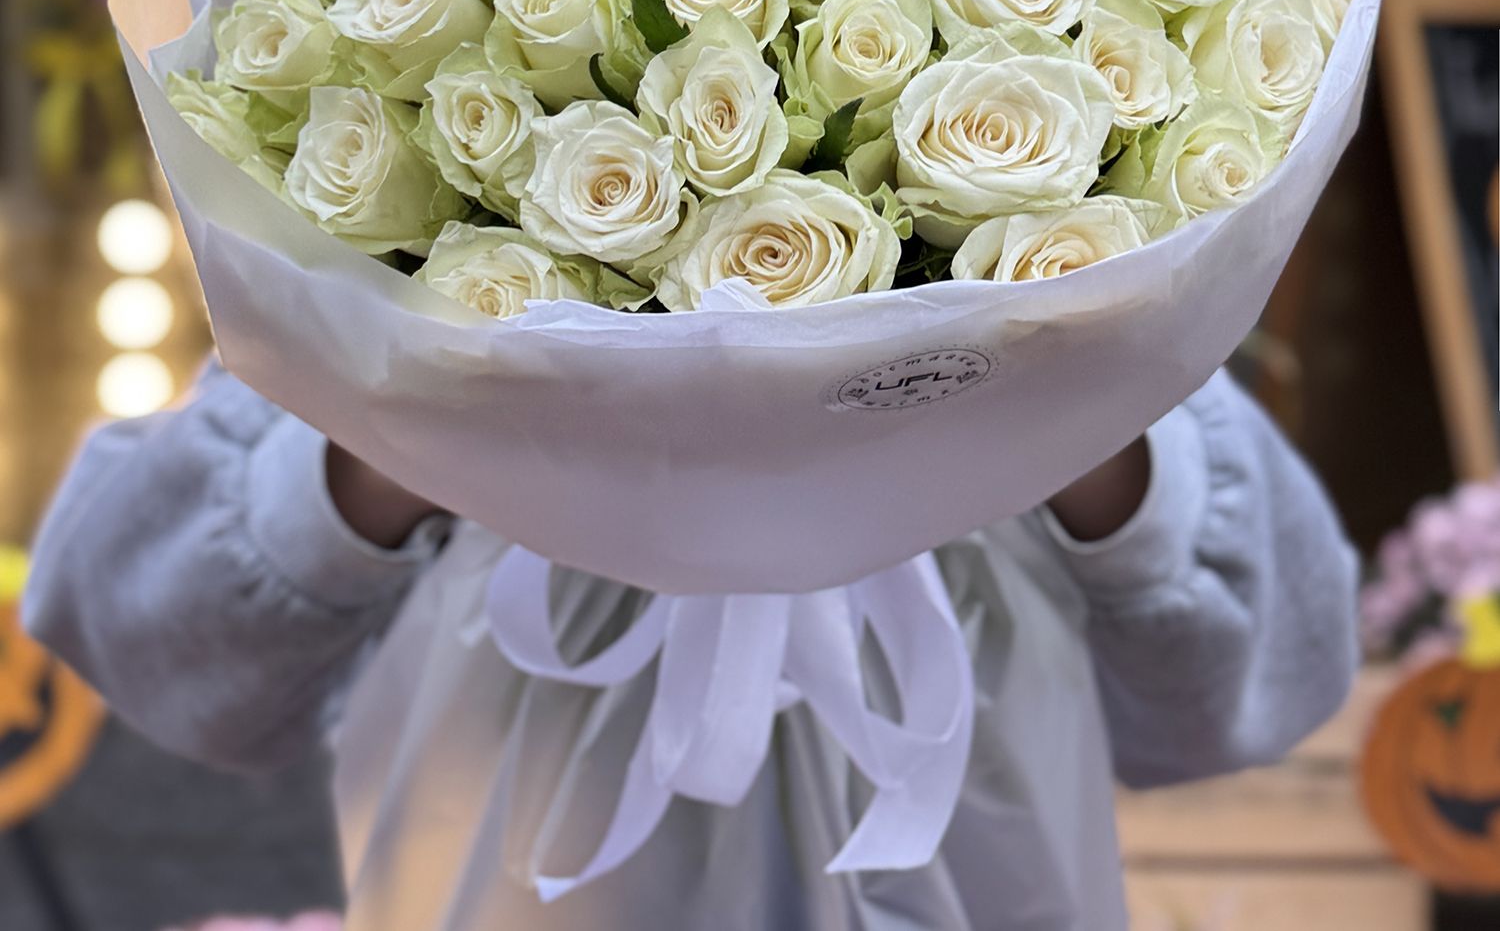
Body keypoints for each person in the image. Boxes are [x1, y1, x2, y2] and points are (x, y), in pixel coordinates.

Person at [24, 359, 1358, 930]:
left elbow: (1248, 679)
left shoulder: (1089, 335)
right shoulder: (399, 318)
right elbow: (151, 633)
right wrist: (432, 408)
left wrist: (1049, 380)